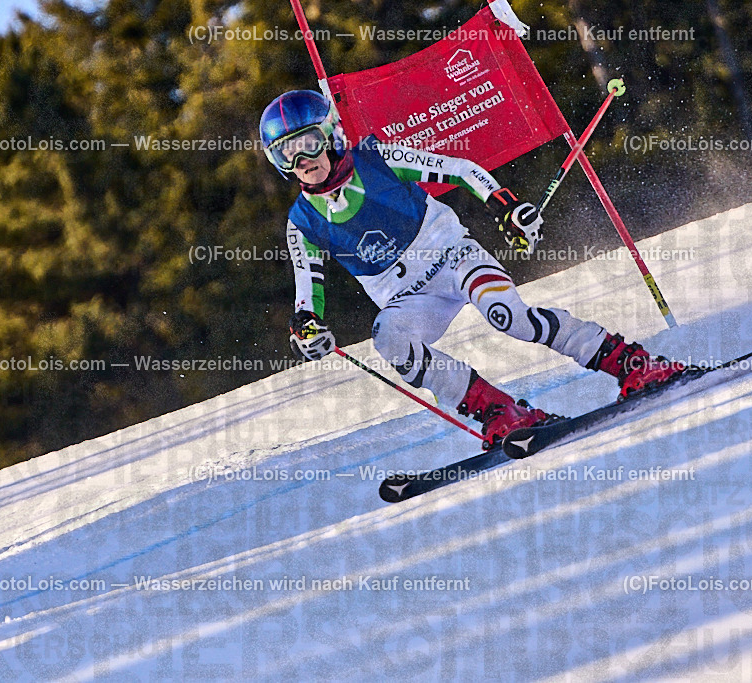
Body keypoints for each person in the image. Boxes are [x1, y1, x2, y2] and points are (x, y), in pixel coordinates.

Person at [261, 90, 685, 448]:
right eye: (286, 151)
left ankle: (631, 362)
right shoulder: (302, 222)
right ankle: (501, 411)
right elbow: (307, 295)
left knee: (509, 318)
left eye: (309, 142)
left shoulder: (377, 159)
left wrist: (507, 206)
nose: (301, 159)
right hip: (408, 299)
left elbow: (459, 169)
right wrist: (307, 329)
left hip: (450, 257)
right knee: (389, 340)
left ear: (331, 133)